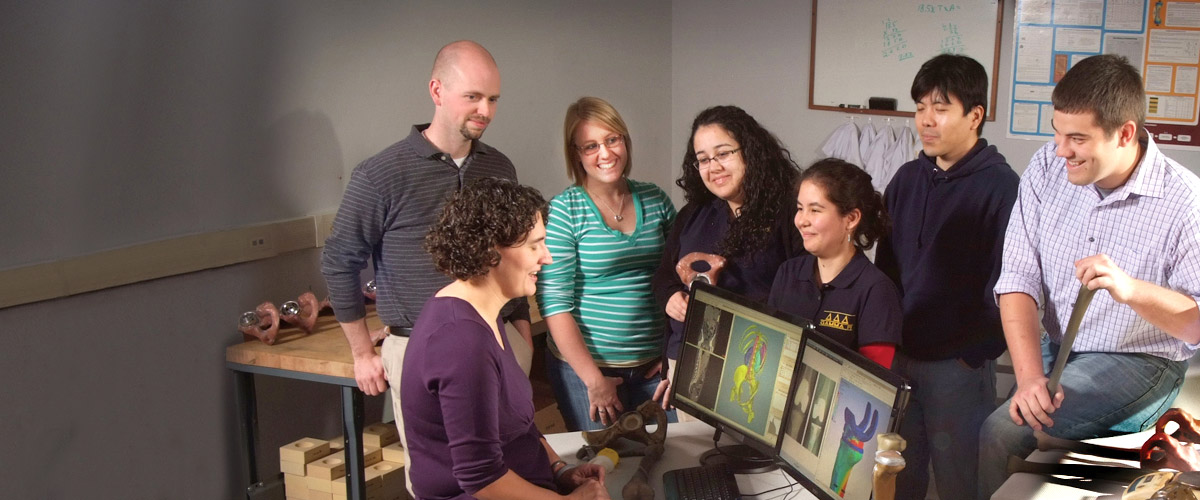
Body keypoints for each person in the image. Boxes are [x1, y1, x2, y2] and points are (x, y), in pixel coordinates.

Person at [978, 54, 1200, 499]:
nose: (1062, 150)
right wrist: (1027, 379)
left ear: (1125, 134)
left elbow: (1197, 324)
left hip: (1143, 359)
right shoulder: (1046, 167)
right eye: (1058, 133)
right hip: (1062, 347)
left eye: (1077, 138)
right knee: (1009, 420)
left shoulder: (1184, 201)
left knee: (1005, 431)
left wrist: (1130, 290)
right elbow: (1018, 278)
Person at [320, 40, 530, 495]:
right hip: (420, 347)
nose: (485, 109)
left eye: (493, 98)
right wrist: (361, 353)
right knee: (446, 481)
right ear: (437, 90)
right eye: (472, 96)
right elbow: (339, 261)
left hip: (497, 337)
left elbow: (516, 255)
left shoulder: (499, 167)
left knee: (512, 466)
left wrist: (522, 328)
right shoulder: (380, 174)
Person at [402, 178, 609, 500]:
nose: (547, 257)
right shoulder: (461, 342)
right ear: (490, 250)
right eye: (534, 245)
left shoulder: (484, 313)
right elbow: (481, 477)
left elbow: (519, 426)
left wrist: (560, 470)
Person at [872, 54, 1019, 500]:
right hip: (902, 360)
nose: (926, 121)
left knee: (960, 484)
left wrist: (973, 356)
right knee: (900, 477)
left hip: (958, 368)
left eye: (940, 108)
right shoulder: (906, 179)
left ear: (975, 115)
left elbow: (1010, 284)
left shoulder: (1001, 187)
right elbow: (887, 271)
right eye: (920, 108)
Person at [536, 97, 677, 431]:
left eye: (612, 140)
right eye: (591, 146)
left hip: (652, 368)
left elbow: (675, 279)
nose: (606, 154)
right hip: (587, 372)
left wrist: (671, 351)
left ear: (625, 141)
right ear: (576, 154)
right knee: (604, 467)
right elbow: (555, 304)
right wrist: (593, 380)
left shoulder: (655, 199)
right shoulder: (564, 211)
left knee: (671, 456)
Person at [652, 105, 805, 410]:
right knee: (695, 455)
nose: (713, 167)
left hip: (756, 369)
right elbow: (663, 276)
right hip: (688, 361)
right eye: (703, 159)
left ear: (750, 151)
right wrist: (670, 296)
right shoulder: (693, 215)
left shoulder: (790, 216)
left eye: (723, 154)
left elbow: (802, 298)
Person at [767, 158, 901, 367]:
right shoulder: (788, 272)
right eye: (800, 208)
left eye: (815, 210)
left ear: (851, 219)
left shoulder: (877, 290)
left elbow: (875, 385)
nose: (801, 220)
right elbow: (769, 345)